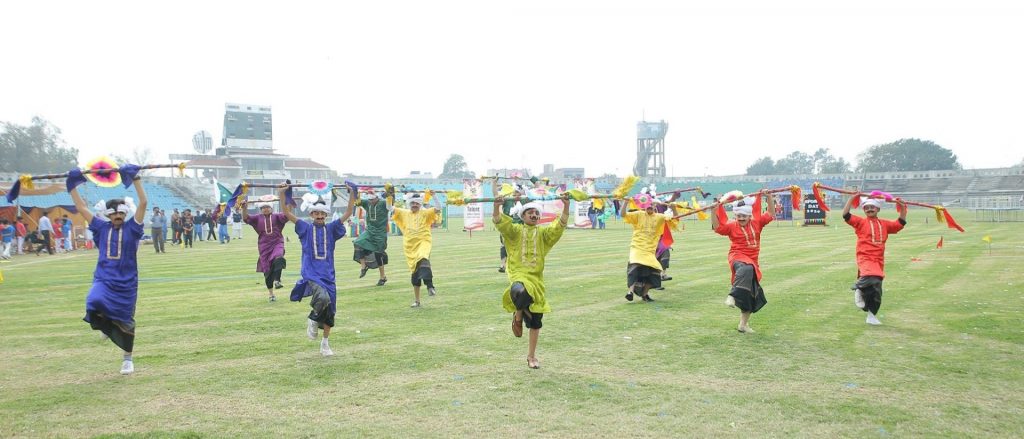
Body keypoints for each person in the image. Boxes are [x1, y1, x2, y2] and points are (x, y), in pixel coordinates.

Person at [68, 166, 148, 375]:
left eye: (122, 212)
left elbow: (144, 203)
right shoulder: (100, 228)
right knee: (93, 300)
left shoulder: (133, 228)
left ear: (125, 213)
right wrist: (73, 185)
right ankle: (105, 326)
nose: (119, 216)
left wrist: (136, 178)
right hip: (104, 279)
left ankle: (127, 360)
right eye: (115, 214)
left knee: (126, 322)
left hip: (127, 282)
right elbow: (80, 207)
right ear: (108, 215)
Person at [493, 186, 571, 369]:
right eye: (530, 212)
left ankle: (531, 356)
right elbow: (498, 222)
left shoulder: (544, 234)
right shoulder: (514, 231)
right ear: (523, 216)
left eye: (537, 213)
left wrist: (566, 206)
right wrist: (496, 206)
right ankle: (518, 316)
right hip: (518, 275)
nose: (535, 215)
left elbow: (559, 226)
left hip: (537, 280)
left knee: (536, 321)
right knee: (519, 290)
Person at [282, 186, 355, 357]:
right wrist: (282, 194)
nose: (320, 216)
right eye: (316, 213)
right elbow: (287, 213)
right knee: (321, 297)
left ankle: (325, 344)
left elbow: (349, 211)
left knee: (330, 313)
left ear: (326, 215)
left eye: (323, 214)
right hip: (311, 273)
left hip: (329, 276)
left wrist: (352, 193)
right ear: (311, 214)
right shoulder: (305, 228)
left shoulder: (331, 229)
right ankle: (313, 318)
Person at [711, 192, 776, 333]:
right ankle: (732, 296)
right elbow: (717, 227)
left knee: (751, 295)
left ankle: (743, 325)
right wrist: (713, 211)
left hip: (753, 261)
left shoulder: (757, 222)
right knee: (746, 269)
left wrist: (769, 197)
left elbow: (771, 213)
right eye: (738, 216)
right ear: (735, 216)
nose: (741, 218)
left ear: (749, 215)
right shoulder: (731, 226)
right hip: (737, 257)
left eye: (744, 216)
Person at [843, 194, 907, 325]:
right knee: (871, 276)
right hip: (864, 257)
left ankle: (871, 316)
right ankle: (859, 288)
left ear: (878, 209)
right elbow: (846, 215)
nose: (869, 209)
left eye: (872, 207)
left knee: (876, 288)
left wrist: (902, 207)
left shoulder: (884, 224)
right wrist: (852, 198)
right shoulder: (860, 222)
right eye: (866, 207)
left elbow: (900, 223)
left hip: (878, 260)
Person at [623, 197, 680, 302]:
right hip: (637, 248)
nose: (649, 208)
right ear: (644, 206)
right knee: (634, 268)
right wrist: (625, 202)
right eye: (647, 206)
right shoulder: (638, 214)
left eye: (651, 206)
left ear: (654, 206)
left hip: (650, 251)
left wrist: (674, 208)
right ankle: (630, 292)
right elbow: (623, 215)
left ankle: (644, 295)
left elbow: (675, 220)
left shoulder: (660, 217)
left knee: (655, 272)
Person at [391, 192, 441, 308]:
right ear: (409, 203)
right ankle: (417, 301)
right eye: (412, 203)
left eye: (417, 203)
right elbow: (390, 208)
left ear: (420, 204)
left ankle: (430, 286)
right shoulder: (404, 213)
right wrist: (389, 196)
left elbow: (438, 208)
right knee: (415, 273)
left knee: (423, 259)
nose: (414, 205)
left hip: (424, 242)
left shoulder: (425, 212)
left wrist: (434, 196)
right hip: (409, 246)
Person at [242, 199, 289, 302]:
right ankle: (271, 294)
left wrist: (288, 201)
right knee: (267, 272)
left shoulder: (277, 216)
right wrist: (244, 208)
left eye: (267, 207)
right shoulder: (257, 218)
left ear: (271, 208)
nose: (265, 209)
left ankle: (277, 280)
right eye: (263, 208)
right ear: (260, 209)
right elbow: (246, 218)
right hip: (264, 246)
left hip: (277, 243)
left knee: (279, 258)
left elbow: (286, 215)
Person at [351, 189, 391, 286]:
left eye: (373, 200)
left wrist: (390, 192)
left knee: (378, 254)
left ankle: (383, 277)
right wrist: (355, 191)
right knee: (358, 242)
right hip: (370, 231)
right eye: (370, 200)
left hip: (381, 233)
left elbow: (390, 204)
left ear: (377, 198)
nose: (371, 202)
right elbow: (357, 201)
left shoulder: (383, 203)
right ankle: (363, 267)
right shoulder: (366, 202)